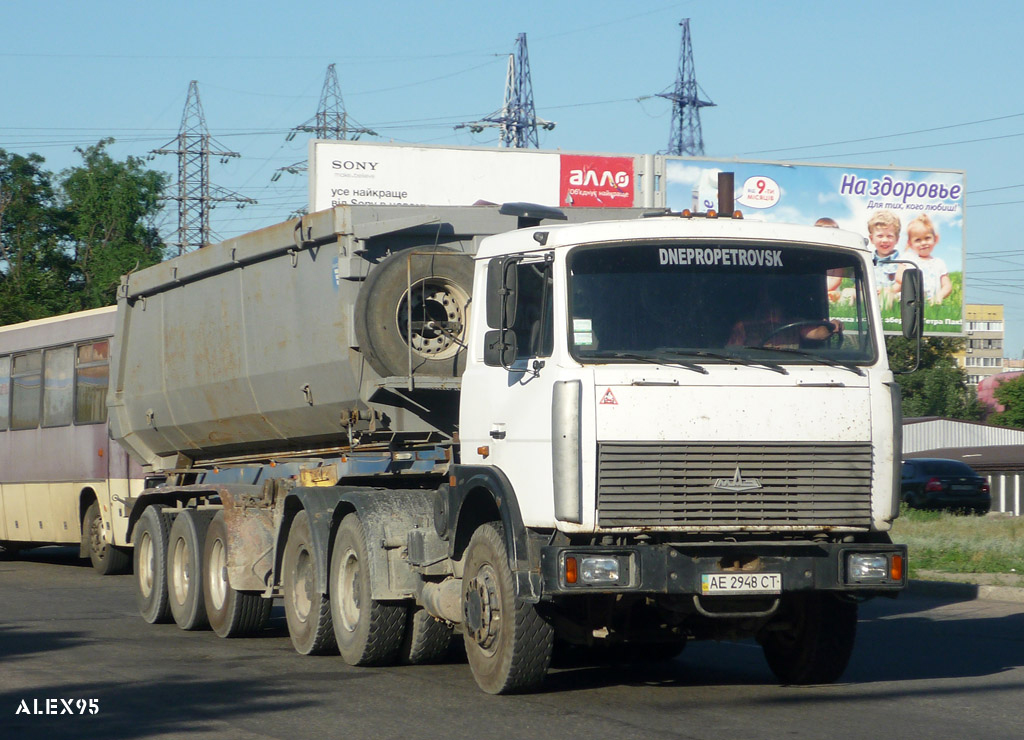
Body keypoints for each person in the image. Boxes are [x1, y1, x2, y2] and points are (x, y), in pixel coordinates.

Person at [905, 213, 951, 304]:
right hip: (911, 305)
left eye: (927, 238)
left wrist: (939, 296)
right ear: (910, 244)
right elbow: (900, 281)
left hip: (932, 304)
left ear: (935, 239)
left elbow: (947, 286)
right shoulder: (909, 260)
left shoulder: (939, 263)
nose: (923, 243)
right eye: (918, 240)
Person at [867, 210, 903, 307]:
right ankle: (845, 318)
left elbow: (900, 285)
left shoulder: (901, 261)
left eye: (889, 236)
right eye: (880, 236)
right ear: (871, 239)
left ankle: (883, 321)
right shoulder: (866, 260)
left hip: (891, 295)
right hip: (870, 294)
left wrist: (886, 290)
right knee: (848, 292)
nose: (885, 240)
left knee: (885, 295)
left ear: (897, 239)